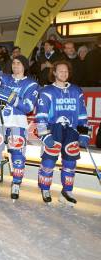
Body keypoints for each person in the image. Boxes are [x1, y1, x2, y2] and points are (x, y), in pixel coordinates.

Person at [0, 47, 39, 201]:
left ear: (25, 66)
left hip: (18, 123)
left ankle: (16, 184)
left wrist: (8, 95)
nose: (15, 66)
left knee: (17, 156)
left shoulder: (31, 84)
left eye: (19, 63)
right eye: (14, 63)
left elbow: (27, 107)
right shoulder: (5, 78)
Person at [36, 60, 90, 206]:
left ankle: (67, 191)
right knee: (48, 161)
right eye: (60, 71)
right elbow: (40, 115)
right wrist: (44, 134)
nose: (63, 73)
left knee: (70, 163)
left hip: (71, 130)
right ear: (54, 72)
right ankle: (45, 189)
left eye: (66, 71)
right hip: (54, 129)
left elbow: (82, 114)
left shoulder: (76, 90)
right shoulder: (46, 91)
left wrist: (84, 133)